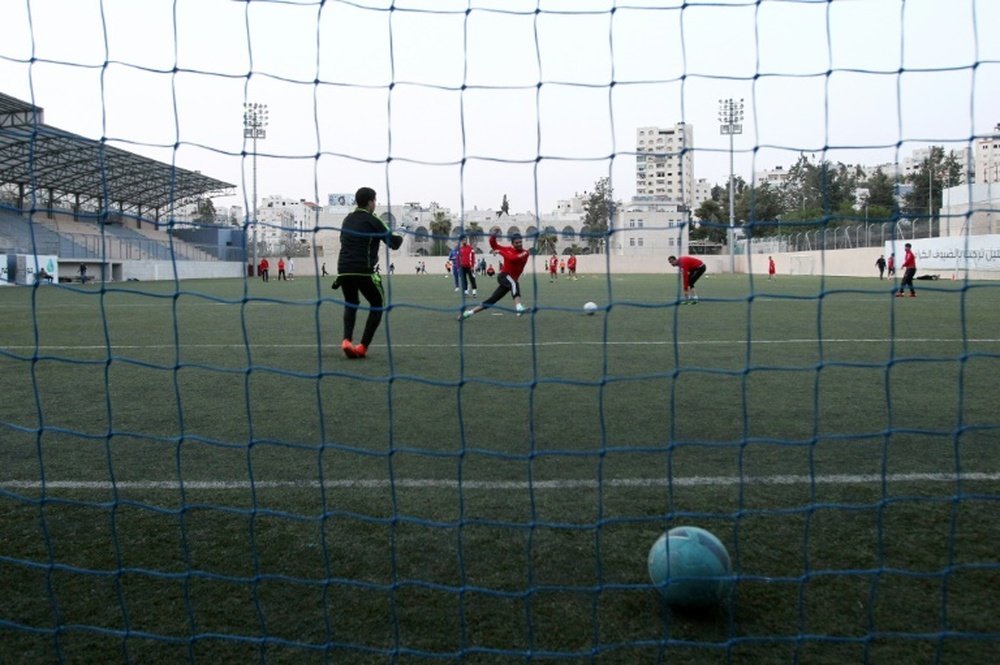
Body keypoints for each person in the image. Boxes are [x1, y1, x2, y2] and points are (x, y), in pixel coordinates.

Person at [333, 187, 403, 359]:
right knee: (377, 304)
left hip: (343, 270)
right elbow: (394, 242)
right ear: (370, 202)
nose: (375, 204)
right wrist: (400, 234)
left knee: (351, 302)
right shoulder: (373, 220)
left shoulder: (347, 219)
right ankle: (362, 347)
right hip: (363, 270)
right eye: (375, 201)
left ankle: (347, 341)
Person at [459, 232, 530, 320]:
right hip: (504, 276)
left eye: (520, 242)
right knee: (514, 283)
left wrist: (500, 252)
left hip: (510, 281)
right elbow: (494, 245)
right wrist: (493, 236)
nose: (519, 244)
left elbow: (513, 258)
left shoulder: (525, 253)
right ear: (512, 243)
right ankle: (519, 308)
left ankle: (469, 313)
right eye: (517, 243)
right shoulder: (507, 249)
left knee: (492, 300)